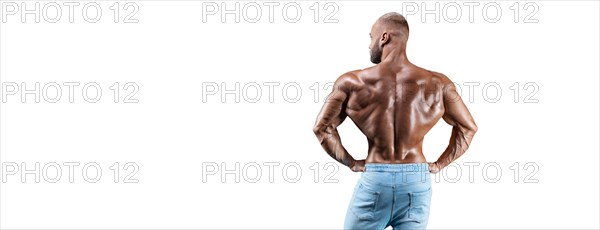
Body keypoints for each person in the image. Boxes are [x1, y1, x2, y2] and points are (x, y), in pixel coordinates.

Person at [312, 12, 478, 229]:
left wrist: (351, 162)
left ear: (384, 37)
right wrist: (439, 164)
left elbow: (322, 128)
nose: (369, 44)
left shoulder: (352, 82)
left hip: (376, 178)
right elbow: (468, 127)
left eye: (371, 37)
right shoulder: (439, 83)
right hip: (416, 181)